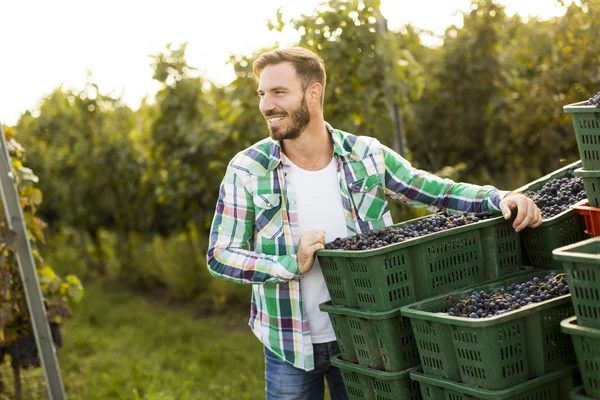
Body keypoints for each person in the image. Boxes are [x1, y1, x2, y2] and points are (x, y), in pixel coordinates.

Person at [206, 46, 542, 400]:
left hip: (365, 340)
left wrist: (500, 198)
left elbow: (436, 192)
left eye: (278, 92)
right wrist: (288, 263)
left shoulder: (365, 155)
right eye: (262, 93)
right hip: (288, 342)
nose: (266, 105)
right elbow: (220, 254)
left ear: (314, 93)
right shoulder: (247, 169)